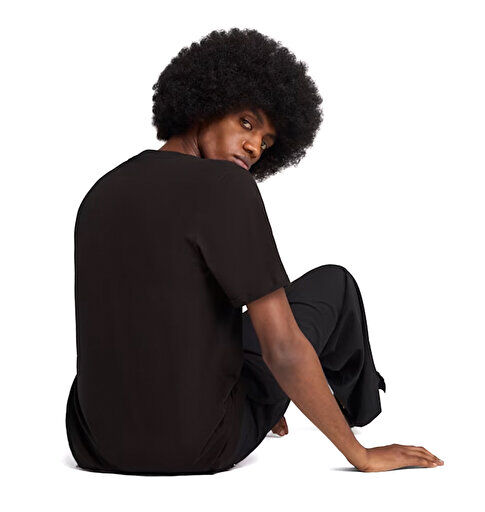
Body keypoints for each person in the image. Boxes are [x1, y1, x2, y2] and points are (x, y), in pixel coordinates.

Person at [65, 28, 443, 475]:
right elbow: (281, 347)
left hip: (95, 445)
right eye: (246, 123)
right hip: (199, 444)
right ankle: (358, 412)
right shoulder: (227, 187)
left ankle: (278, 395)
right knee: (334, 285)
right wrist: (359, 455)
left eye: (265, 143)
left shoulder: (101, 190)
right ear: (205, 104)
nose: (254, 148)